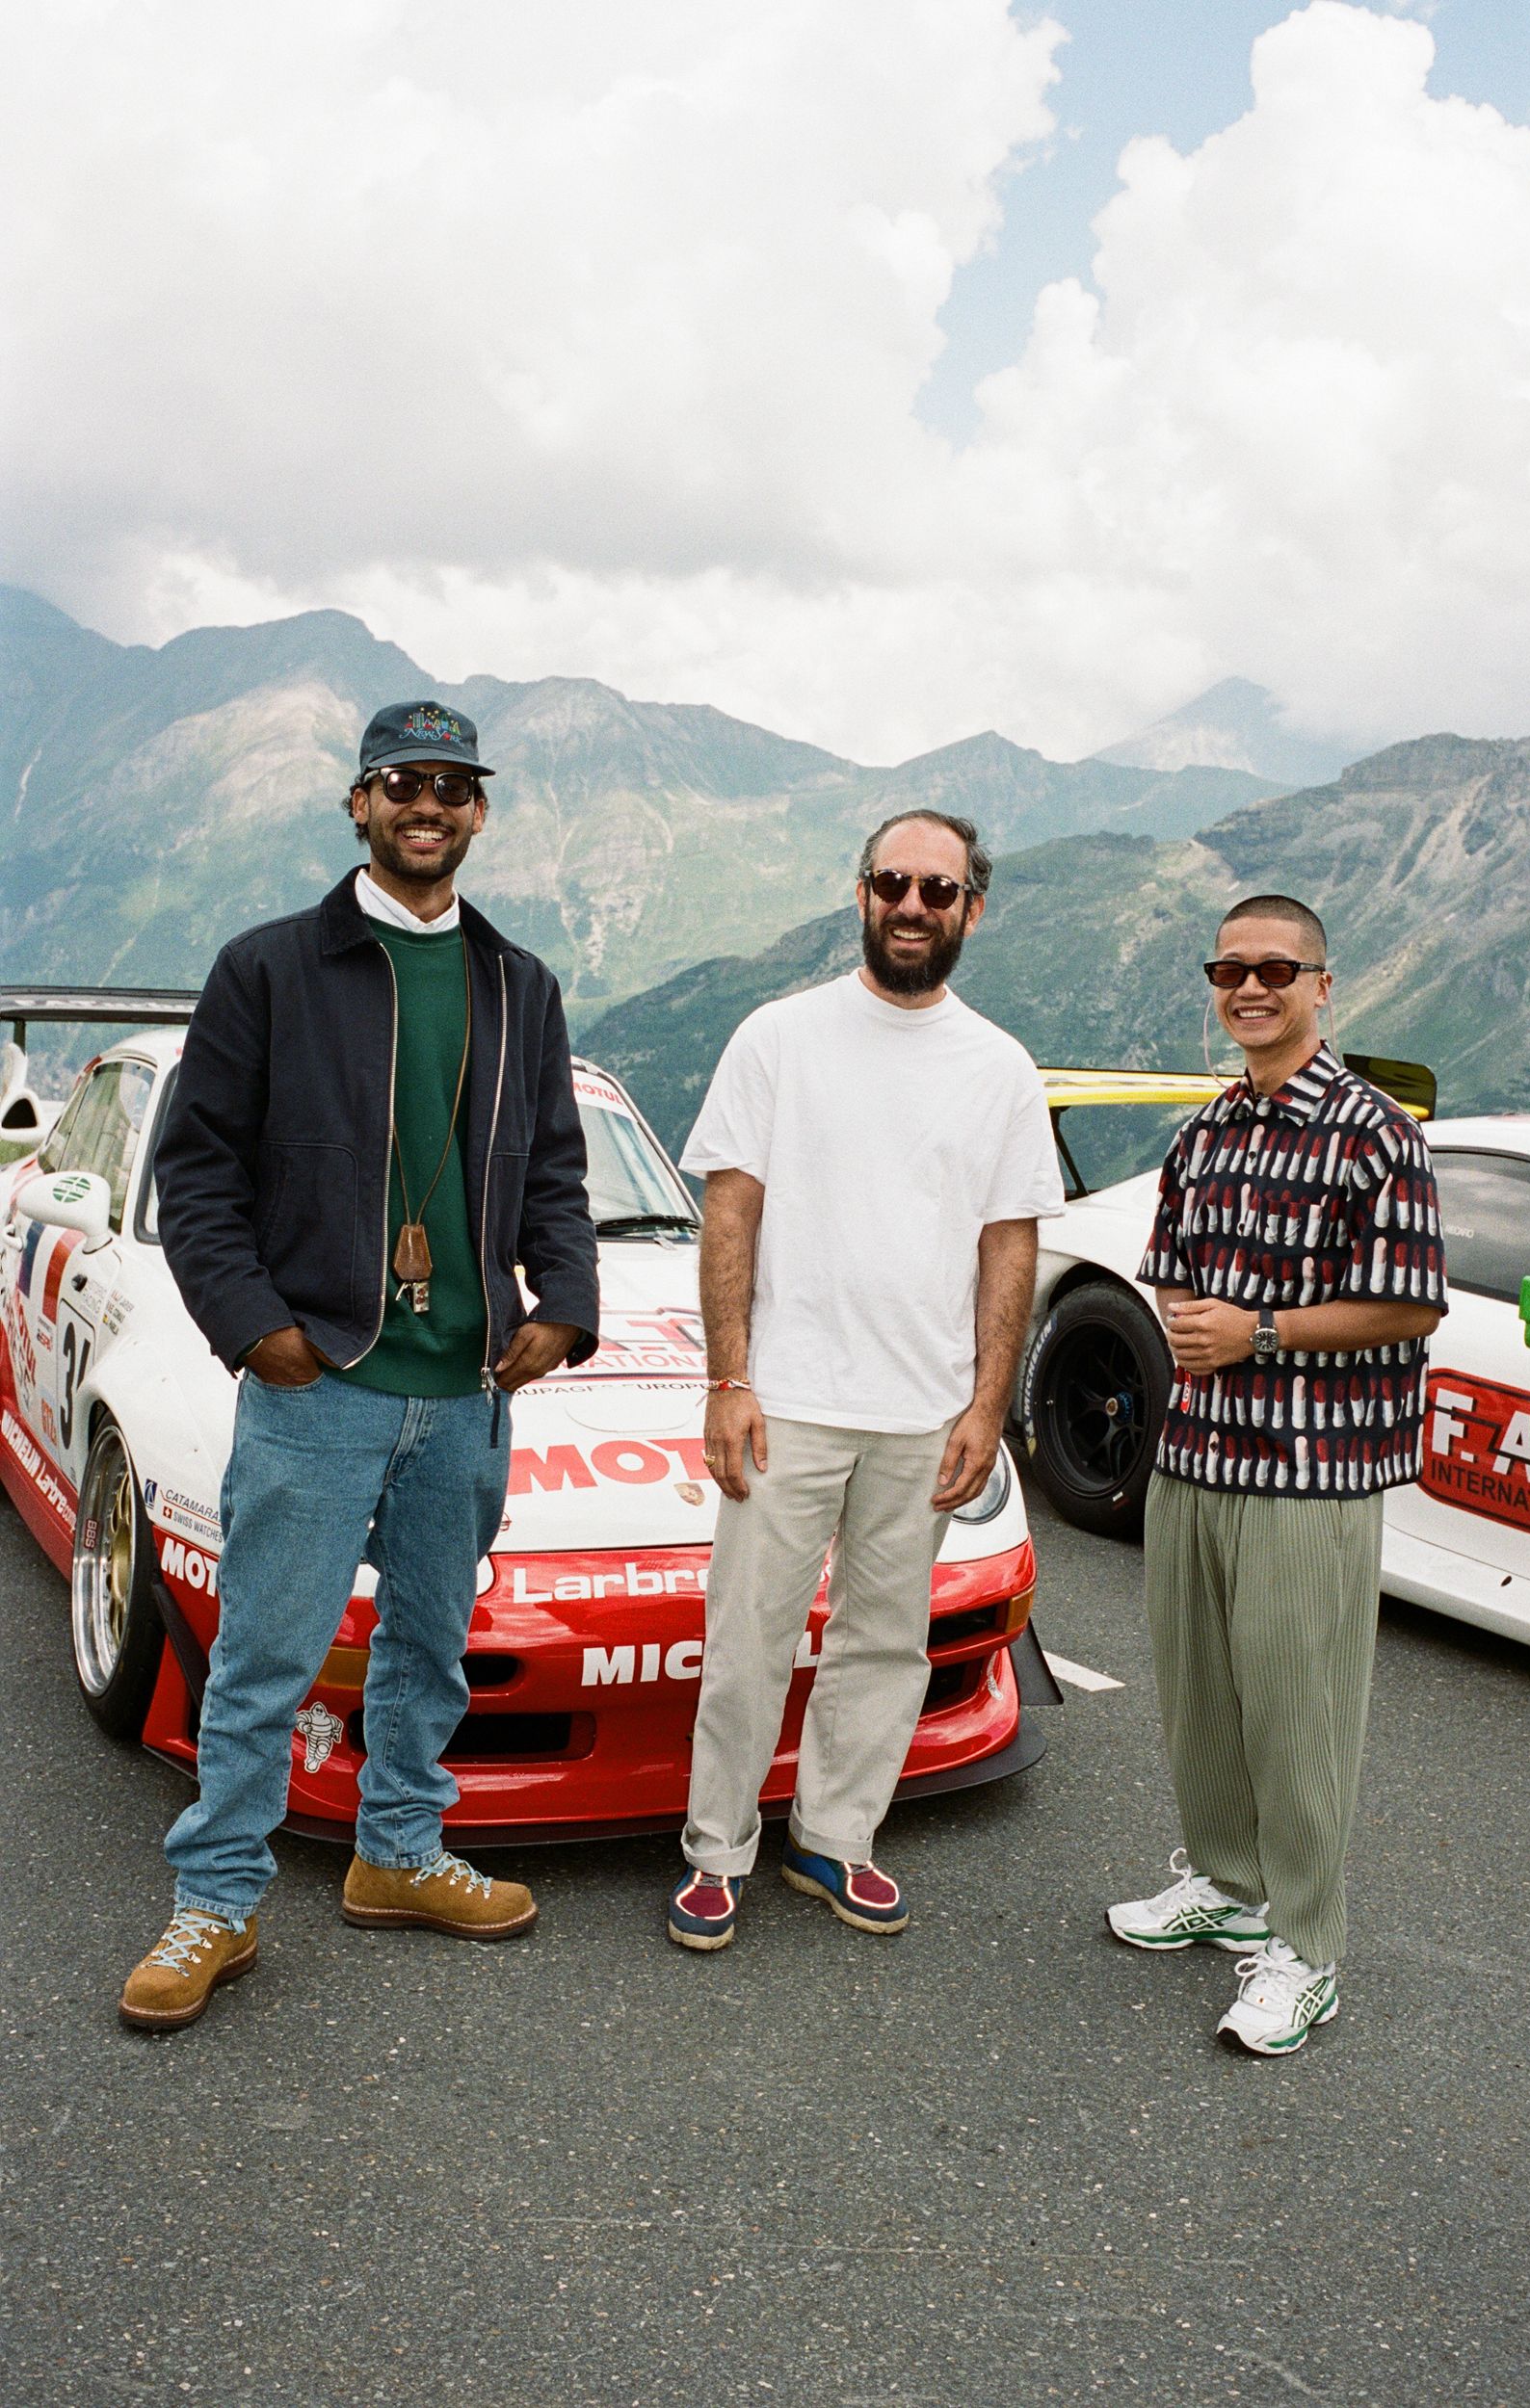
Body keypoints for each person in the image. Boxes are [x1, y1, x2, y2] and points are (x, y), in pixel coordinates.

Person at [119, 700, 600, 2030]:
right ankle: (214, 1899)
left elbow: (557, 1170)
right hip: (315, 1378)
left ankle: (396, 1853)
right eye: (401, 782)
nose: (426, 805)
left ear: (480, 811)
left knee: (428, 1649)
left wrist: (563, 1299)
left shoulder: (521, 985)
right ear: (358, 803)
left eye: (451, 785)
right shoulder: (268, 967)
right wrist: (250, 1324)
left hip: (465, 1390)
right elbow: (197, 1170)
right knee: (266, 1660)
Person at [666, 811, 1063, 1950]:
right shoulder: (778, 1036)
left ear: (968, 912)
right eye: (894, 881)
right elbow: (728, 1206)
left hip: (922, 1410)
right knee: (747, 1635)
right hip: (784, 1398)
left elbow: (1007, 1246)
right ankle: (716, 1849)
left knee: (884, 1642)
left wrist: (987, 1406)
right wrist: (727, 1376)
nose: (911, 905)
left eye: (937, 891)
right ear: (859, 893)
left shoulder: (995, 1067)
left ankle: (833, 1840)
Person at [1108, 894, 1445, 2055]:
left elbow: (1408, 1301)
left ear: (1320, 983)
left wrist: (1255, 1334)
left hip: (1315, 1469)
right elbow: (1168, 1268)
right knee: (1200, 1691)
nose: (1248, 987)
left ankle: (1304, 1946)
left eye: (1273, 968)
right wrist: (1199, 1331)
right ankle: (1224, 1881)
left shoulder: (1372, 1131)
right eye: (1228, 969)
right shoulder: (1204, 1129)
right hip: (1199, 1452)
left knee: (1298, 1712)